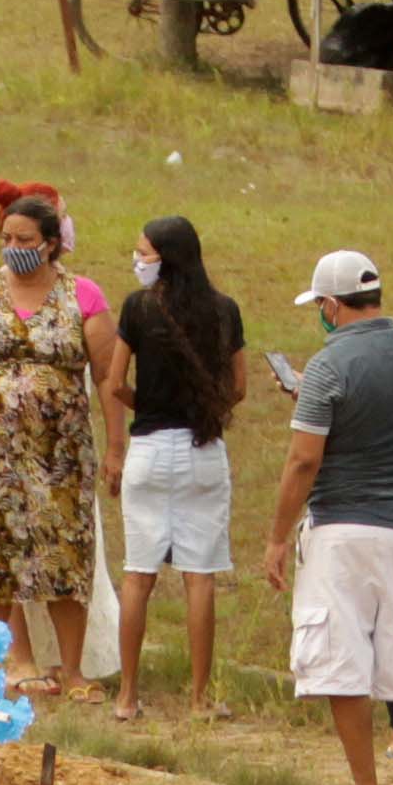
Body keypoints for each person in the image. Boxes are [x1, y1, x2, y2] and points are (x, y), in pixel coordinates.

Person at [257, 248, 393, 785]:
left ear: (329, 303)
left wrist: (276, 538)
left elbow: (304, 460)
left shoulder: (327, 366)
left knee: (341, 659)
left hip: (343, 527)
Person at [0, 185, 127, 701]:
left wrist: (117, 445)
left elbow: (108, 376)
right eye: (7, 237)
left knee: (64, 557)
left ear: (52, 242)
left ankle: (72, 669)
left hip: (60, 456)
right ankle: (1, 665)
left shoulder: (84, 296)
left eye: (26, 238)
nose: (14, 246)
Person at [109, 213, 244, 723]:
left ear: (165, 258)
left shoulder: (138, 308)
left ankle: (127, 695)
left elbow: (116, 380)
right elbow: (240, 386)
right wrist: (206, 409)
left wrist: (146, 404)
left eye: (144, 252)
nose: (138, 260)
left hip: (148, 448)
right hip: (201, 451)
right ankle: (199, 696)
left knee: (138, 573)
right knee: (199, 575)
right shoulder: (223, 311)